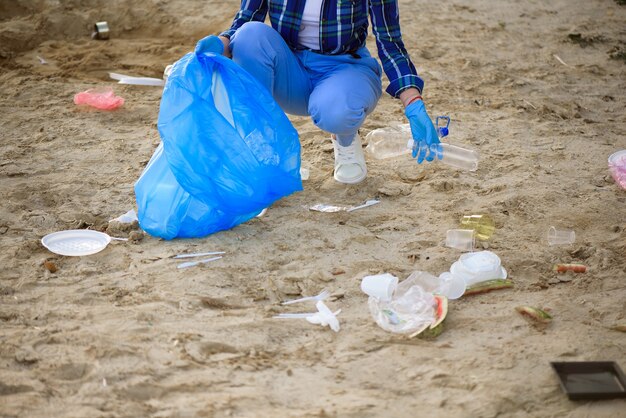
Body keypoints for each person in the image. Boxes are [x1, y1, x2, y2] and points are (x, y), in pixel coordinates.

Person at [195, 0, 440, 185]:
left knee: (337, 112)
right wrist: (221, 43)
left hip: (345, 68)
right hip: (290, 70)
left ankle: (345, 139)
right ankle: (266, 150)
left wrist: (413, 102)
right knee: (250, 35)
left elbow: (390, 41)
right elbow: (245, 20)